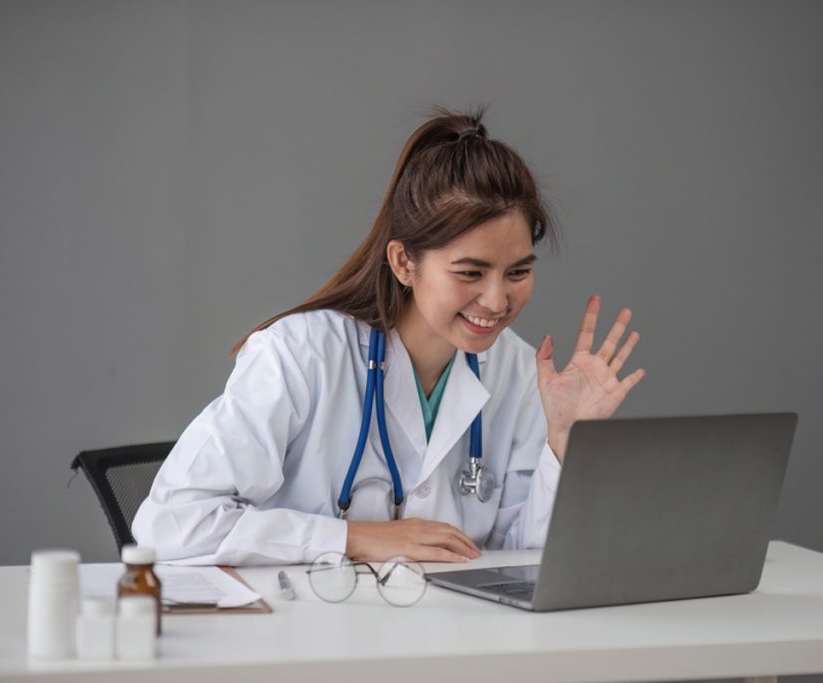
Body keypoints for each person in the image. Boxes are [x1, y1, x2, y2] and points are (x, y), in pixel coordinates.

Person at [132, 107, 645, 566]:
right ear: (404, 262)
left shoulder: (519, 371)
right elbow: (170, 524)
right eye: (470, 273)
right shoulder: (300, 355)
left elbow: (529, 562)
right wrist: (353, 537)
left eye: (517, 273)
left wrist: (565, 441)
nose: (496, 301)